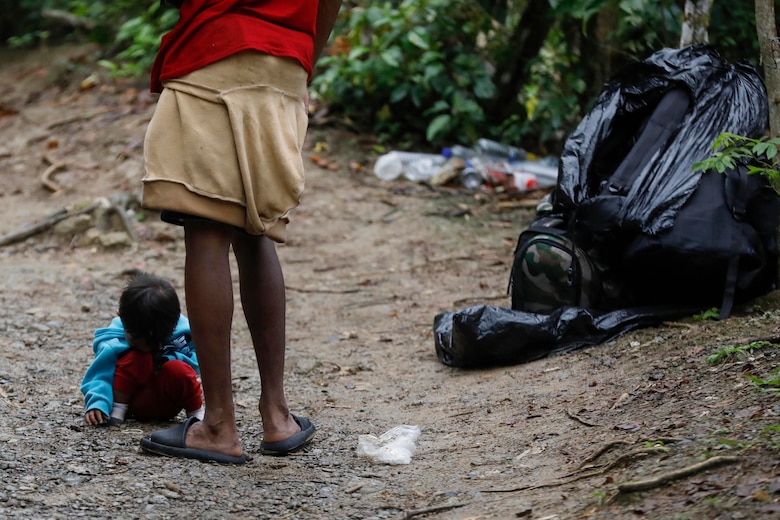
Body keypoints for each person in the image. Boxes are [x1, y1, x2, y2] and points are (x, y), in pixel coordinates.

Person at [137, 0, 342, 464]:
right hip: (286, 64)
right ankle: (277, 417)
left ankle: (217, 426)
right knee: (256, 231)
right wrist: (302, 57)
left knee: (208, 231)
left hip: (216, 52)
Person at [81, 272, 204, 427]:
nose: (146, 349)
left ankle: (196, 412)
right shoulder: (113, 341)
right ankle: (118, 410)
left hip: (169, 399)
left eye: (154, 343)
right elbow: (100, 374)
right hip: (131, 400)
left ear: (173, 324)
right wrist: (98, 403)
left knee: (177, 368)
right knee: (138, 358)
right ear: (121, 318)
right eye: (138, 342)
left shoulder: (184, 334)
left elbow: (196, 364)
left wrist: (167, 359)